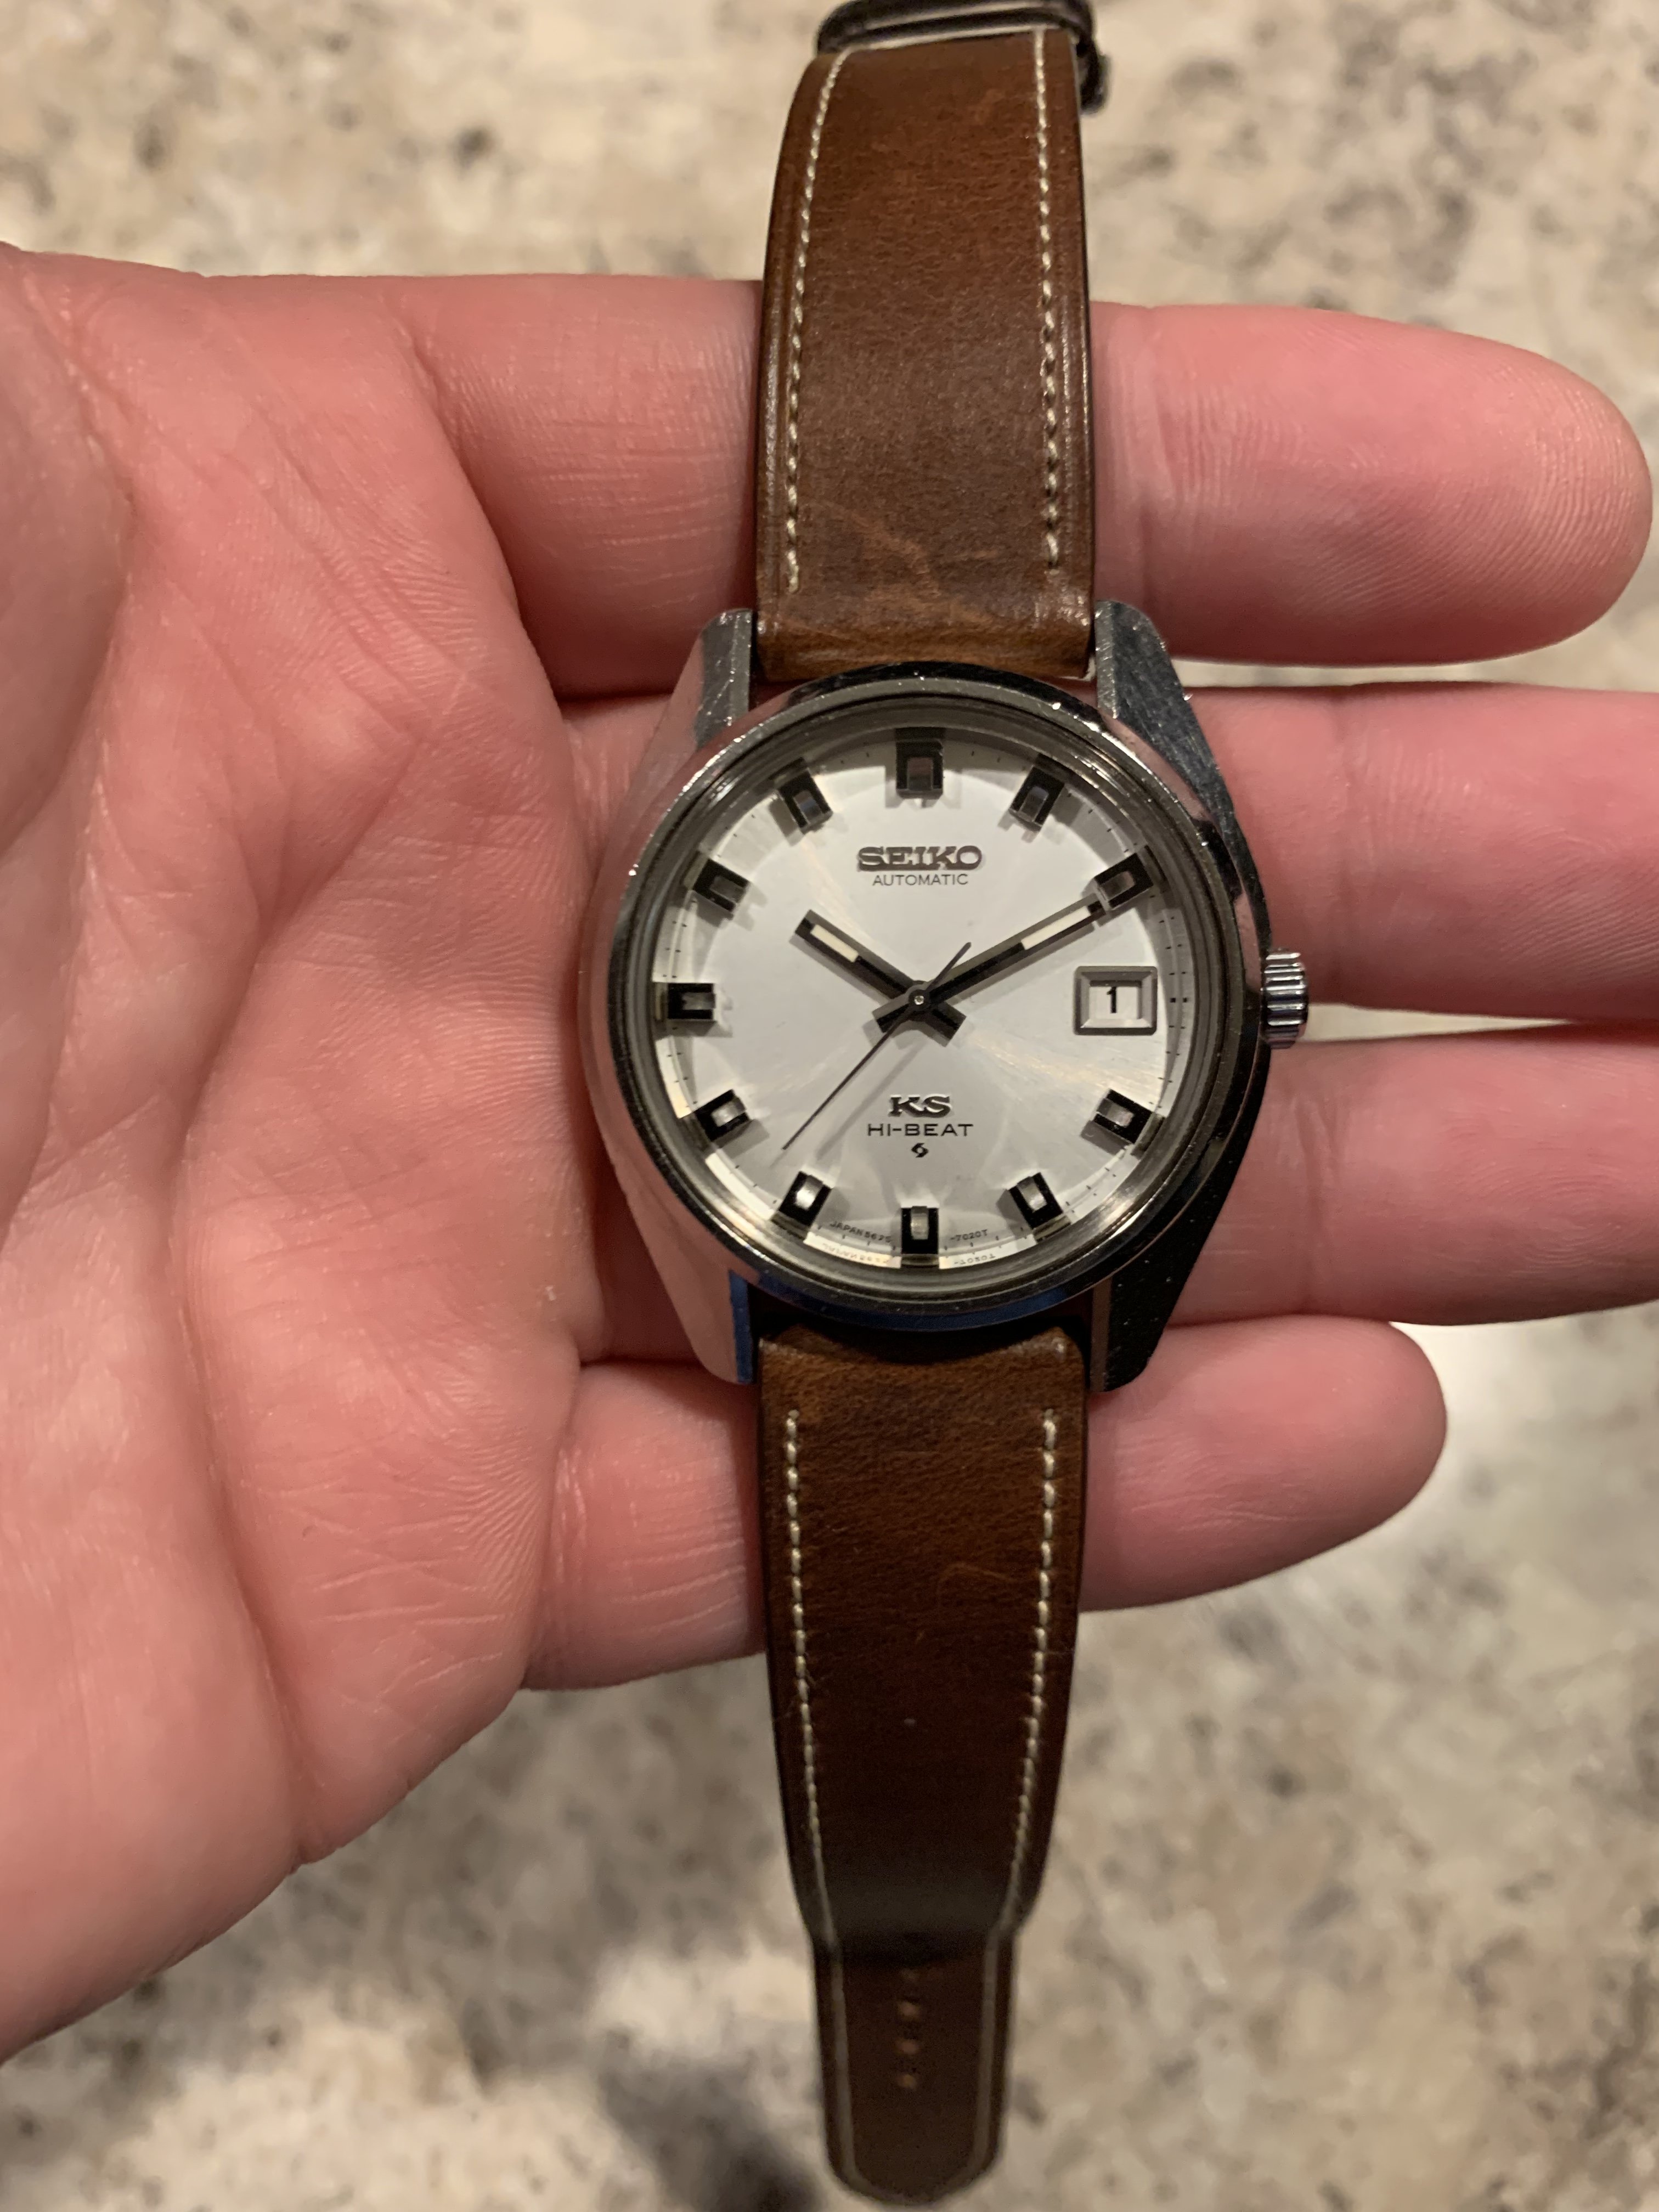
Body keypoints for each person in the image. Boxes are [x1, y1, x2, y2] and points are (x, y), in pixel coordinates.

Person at [0, 257, 1650, 2059]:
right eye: (895, 989)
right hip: (795, 1255)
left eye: (938, 995)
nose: (922, 1013)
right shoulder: (761, 758)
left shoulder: (977, 782)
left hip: (931, 1250)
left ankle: (916, 1983)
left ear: (1256, 1003)